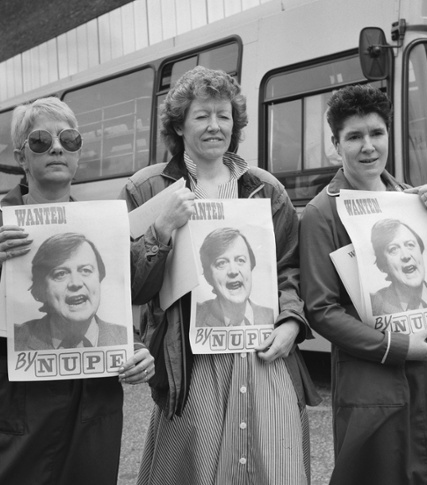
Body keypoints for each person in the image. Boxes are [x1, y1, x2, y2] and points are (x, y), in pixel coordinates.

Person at [0, 96, 154, 485]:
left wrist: (133, 350)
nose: (56, 147)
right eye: (40, 140)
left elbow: (111, 308)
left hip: (89, 413)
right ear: (22, 157)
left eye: (69, 139)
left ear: (78, 154)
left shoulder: (101, 226)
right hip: (13, 414)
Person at [122, 66, 320, 485]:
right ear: (179, 124)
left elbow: (289, 268)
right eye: (202, 116)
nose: (215, 125)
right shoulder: (147, 189)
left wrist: (289, 321)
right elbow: (132, 286)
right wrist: (160, 229)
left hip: (263, 357)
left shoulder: (266, 189)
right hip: (191, 364)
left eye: (224, 116)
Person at [299, 84, 427, 485]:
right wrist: (396, 347)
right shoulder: (321, 213)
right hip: (373, 381)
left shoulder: (413, 200)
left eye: (376, 133)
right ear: (335, 144)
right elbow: (322, 310)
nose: (368, 147)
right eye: (354, 137)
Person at [14, 232, 127, 350]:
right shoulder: (15, 340)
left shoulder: (128, 340)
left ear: (100, 277)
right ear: (42, 287)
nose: (76, 283)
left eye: (86, 270)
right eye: (60, 274)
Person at [196, 227, 273, 327]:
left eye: (240, 260)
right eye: (221, 263)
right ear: (208, 275)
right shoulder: (197, 317)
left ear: (251, 266)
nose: (233, 271)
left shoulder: (273, 316)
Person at [370, 218, 427, 315]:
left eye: (410, 245)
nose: (406, 256)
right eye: (393, 249)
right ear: (383, 264)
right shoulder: (374, 305)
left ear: (420, 251)